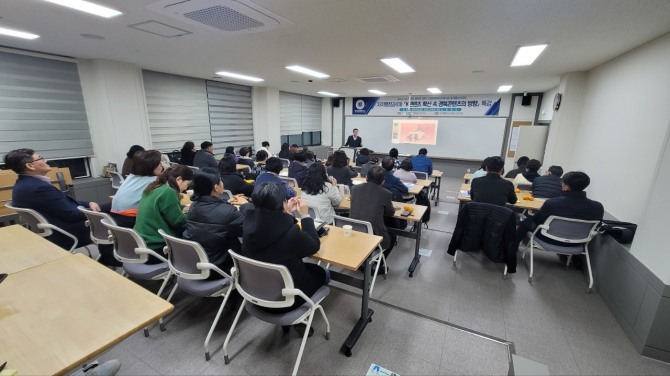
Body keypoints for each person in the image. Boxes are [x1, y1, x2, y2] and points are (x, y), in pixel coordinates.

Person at [4, 148, 113, 262]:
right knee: (117, 212)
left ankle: (107, 255)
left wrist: (89, 203)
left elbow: (64, 203)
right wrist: (100, 210)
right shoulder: (37, 187)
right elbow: (72, 214)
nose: (45, 160)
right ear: (30, 166)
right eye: (40, 158)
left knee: (111, 210)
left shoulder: (24, 184)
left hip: (57, 228)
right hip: (65, 233)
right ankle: (109, 257)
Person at [241, 182, 329, 317]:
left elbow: (269, 221)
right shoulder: (291, 233)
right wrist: (305, 216)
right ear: (283, 203)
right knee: (324, 273)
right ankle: (303, 314)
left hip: (255, 294)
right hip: (287, 301)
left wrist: (286, 212)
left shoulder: (248, 221)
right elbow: (314, 246)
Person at [517, 171, 604, 267]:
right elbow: (597, 227)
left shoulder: (553, 203)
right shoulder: (597, 207)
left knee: (525, 222)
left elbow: (537, 221)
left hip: (548, 239)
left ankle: (511, 248)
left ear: (566, 186)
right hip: (577, 244)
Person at [183, 167, 245, 274]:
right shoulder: (228, 212)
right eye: (220, 180)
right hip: (219, 266)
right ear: (216, 187)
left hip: (197, 261)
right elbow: (247, 229)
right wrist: (246, 205)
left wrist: (225, 203)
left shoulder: (194, 206)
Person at [134, 165, 193, 263]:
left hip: (141, 243)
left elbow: (164, 208)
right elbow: (179, 222)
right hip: (157, 248)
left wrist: (184, 208)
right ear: (179, 179)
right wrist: (193, 213)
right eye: (187, 184)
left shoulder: (153, 187)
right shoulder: (168, 192)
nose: (185, 189)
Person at [350, 166, 396, 272]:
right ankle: (376, 267)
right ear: (383, 181)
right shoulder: (386, 194)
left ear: (366, 178)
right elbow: (391, 212)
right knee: (392, 236)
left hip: (353, 231)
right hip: (372, 235)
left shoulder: (354, 189)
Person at [111, 150, 164, 228]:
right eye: (159, 164)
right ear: (151, 167)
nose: (161, 167)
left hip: (114, 218)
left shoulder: (131, 176)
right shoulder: (155, 181)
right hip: (130, 219)